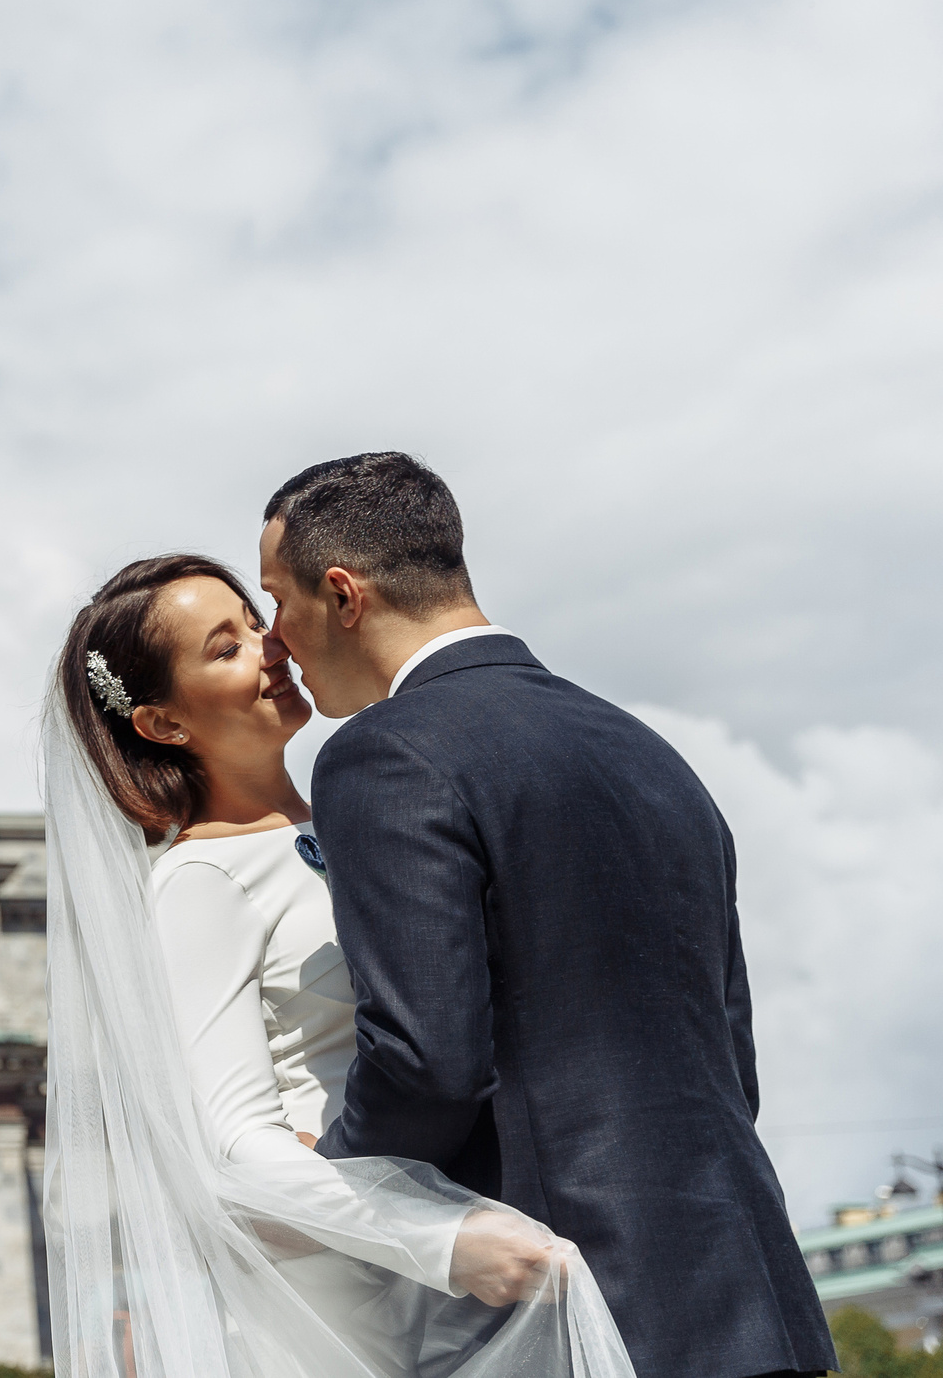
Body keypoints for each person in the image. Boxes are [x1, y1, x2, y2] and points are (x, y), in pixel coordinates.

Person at [259, 453, 833, 1378]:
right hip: (756, 1301)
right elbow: (733, 1064)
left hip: (570, 1311)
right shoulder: (647, 751)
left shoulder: (384, 755)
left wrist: (326, 1197)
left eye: (276, 599)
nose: (273, 639)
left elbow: (429, 1059)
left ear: (342, 594)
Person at [42, 552, 635, 1378]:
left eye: (256, 621)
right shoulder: (200, 880)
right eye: (225, 647)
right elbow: (231, 1150)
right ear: (162, 723)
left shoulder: (361, 820)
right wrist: (444, 1238)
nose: (270, 646)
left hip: (450, 1253)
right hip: (338, 1304)